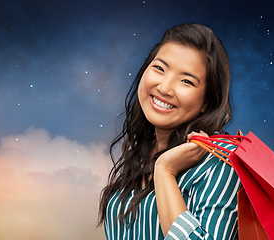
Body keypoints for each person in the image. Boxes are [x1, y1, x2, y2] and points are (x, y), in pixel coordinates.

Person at [98, 23, 239, 240]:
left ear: (207, 101)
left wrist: (165, 171)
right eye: (160, 68)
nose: (164, 88)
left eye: (186, 81)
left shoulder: (222, 162)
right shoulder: (140, 157)